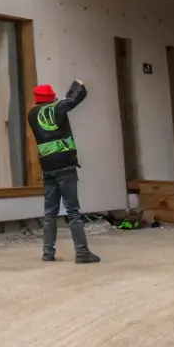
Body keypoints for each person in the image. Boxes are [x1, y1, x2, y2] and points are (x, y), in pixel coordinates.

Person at [27, 80, 101, 264]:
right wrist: (79, 85)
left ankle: (47, 252)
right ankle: (82, 252)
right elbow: (72, 99)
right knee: (73, 211)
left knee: (50, 213)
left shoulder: (32, 114)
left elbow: (63, 103)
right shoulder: (57, 109)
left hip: (48, 168)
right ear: (51, 97)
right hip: (65, 167)